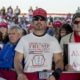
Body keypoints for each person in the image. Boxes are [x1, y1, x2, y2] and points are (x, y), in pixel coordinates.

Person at [14, 8, 64, 80]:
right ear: (32, 22)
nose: (39, 21)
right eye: (36, 18)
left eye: (42, 19)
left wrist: (56, 74)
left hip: (47, 78)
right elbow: (17, 60)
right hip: (28, 77)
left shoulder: (53, 40)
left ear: (46, 22)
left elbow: (59, 60)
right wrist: (20, 74)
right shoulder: (24, 39)